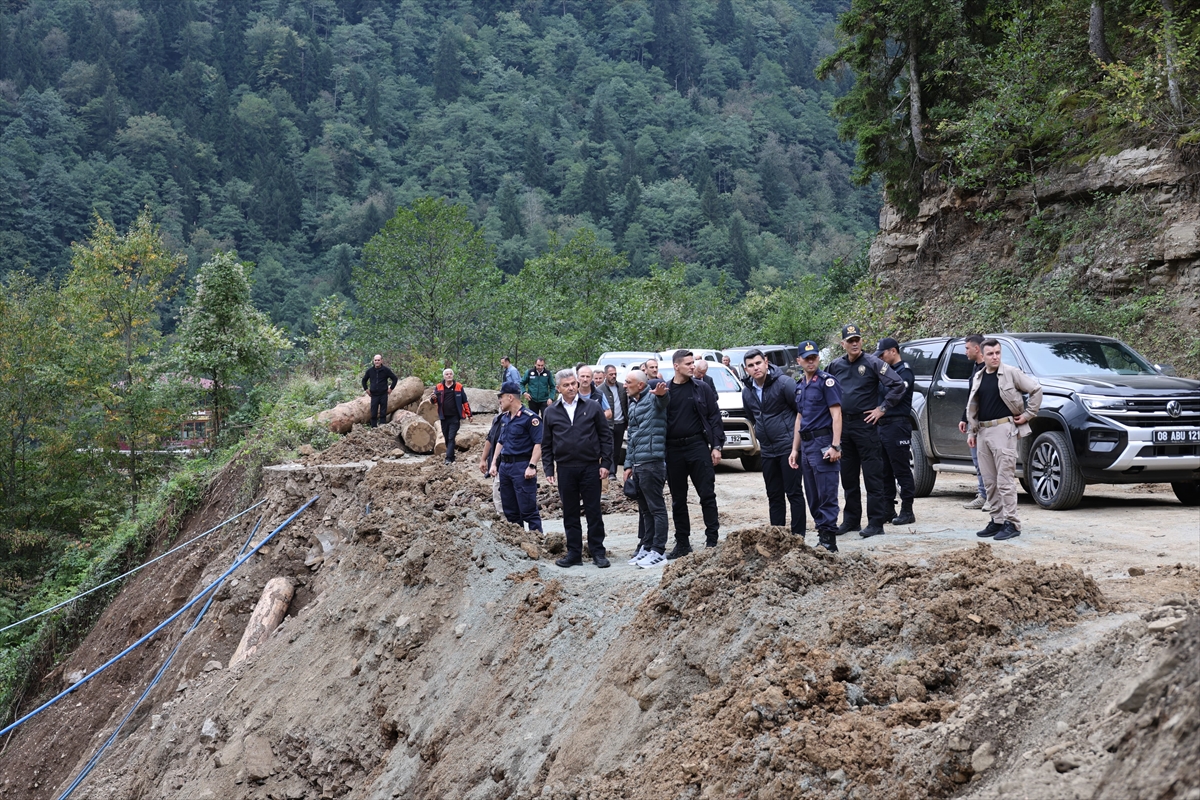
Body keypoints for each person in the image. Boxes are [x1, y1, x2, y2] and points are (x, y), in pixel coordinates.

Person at [826, 324, 906, 539]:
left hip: (866, 426)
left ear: (861, 341)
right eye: (850, 340)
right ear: (843, 344)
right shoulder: (835, 365)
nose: (854, 343)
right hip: (844, 427)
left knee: (873, 476)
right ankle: (851, 520)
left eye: (857, 339)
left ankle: (876, 522)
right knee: (848, 477)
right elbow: (824, 387)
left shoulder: (873, 363)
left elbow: (898, 385)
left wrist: (882, 409)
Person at [967, 339, 1043, 541]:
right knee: (989, 481)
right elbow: (974, 406)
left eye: (998, 353)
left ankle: (1012, 523)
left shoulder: (1010, 372)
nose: (995, 357)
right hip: (983, 431)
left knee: (1005, 480)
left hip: (1003, 429)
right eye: (990, 353)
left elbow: (1035, 390)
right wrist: (971, 433)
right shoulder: (979, 376)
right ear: (983, 355)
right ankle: (997, 520)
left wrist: (1028, 415)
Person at [542, 369, 614, 569]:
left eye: (573, 383)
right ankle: (574, 553)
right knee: (570, 512)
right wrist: (548, 469)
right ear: (558, 388)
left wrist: (606, 464)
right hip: (565, 469)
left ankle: (598, 552)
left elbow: (605, 437)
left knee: (593, 511)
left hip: (590, 467)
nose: (572, 387)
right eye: (566, 385)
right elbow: (546, 443)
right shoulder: (551, 412)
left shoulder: (592, 407)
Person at [664, 349, 725, 558]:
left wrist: (717, 446)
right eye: (688, 363)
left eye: (693, 363)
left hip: (697, 446)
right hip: (673, 449)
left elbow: (715, 417)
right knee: (678, 499)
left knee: (707, 495)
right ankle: (682, 543)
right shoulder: (667, 391)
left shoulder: (702, 388)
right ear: (676, 366)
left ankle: (712, 541)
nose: (693, 366)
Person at [741, 349, 805, 538]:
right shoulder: (748, 392)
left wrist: (796, 445)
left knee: (793, 493)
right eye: (751, 366)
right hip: (767, 450)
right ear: (746, 369)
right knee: (774, 495)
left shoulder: (784, 383)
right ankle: (777, 538)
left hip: (788, 447)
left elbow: (800, 412)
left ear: (766, 362)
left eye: (758, 363)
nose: (756, 368)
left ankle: (798, 537)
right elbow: (753, 417)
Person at [789, 341, 843, 553]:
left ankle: (829, 541)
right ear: (799, 360)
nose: (811, 361)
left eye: (814, 357)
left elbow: (836, 414)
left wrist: (836, 445)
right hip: (807, 445)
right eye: (806, 358)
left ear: (818, 358)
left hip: (824, 443)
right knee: (812, 494)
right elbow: (799, 418)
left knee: (826, 492)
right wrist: (795, 449)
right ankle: (822, 535)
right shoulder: (801, 385)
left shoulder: (826, 382)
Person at [623, 369, 670, 568]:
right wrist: (627, 464)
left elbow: (663, 401)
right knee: (645, 510)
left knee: (656, 508)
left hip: (653, 463)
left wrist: (662, 395)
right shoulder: (633, 405)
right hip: (639, 465)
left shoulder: (653, 400)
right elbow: (632, 438)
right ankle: (647, 546)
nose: (624, 385)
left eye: (628, 382)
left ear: (640, 385)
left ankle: (659, 551)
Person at [490, 382, 543, 532]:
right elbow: (501, 441)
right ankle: (518, 543)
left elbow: (539, 444)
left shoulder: (530, 418)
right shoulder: (505, 418)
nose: (500, 401)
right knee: (510, 510)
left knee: (528, 510)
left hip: (522, 467)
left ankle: (536, 542)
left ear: (510, 397)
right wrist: (494, 463)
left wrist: (532, 466)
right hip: (505, 467)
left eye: (501, 397)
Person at [875, 338, 917, 525]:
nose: (881, 358)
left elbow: (896, 396)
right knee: (884, 470)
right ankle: (888, 509)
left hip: (897, 424)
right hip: (882, 425)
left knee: (901, 469)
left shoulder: (904, 371)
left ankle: (907, 510)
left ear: (893, 351)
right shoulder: (886, 372)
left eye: (882, 354)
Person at [958, 334, 989, 510]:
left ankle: (991, 497)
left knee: (987, 462)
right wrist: (965, 418)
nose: (965, 352)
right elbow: (972, 398)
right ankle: (983, 494)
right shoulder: (975, 367)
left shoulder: (988, 369)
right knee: (978, 460)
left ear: (977, 348)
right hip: (974, 422)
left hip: (986, 422)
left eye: (967, 348)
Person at [430, 368, 472, 463]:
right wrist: (432, 398)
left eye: (450, 374)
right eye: (447, 374)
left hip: (455, 417)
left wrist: (470, 415)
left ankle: (448, 458)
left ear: (452, 375)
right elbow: (433, 401)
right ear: (444, 376)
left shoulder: (459, 386)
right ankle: (452, 456)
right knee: (446, 437)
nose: (449, 375)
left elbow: (464, 401)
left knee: (451, 437)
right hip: (444, 417)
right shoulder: (439, 386)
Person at [598, 365, 629, 468]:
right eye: (611, 374)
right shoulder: (600, 390)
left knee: (617, 449)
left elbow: (626, 404)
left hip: (621, 422)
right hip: (608, 423)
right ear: (605, 375)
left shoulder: (622, 387)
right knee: (609, 448)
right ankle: (610, 471)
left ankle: (614, 470)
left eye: (615, 374)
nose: (613, 376)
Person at [479, 413, 507, 516]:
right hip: (496, 464)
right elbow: (490, 439)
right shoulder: (497, 419)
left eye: (502, 398)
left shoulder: (522, 418)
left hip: (513, 464)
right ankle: (503, 520)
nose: (500, 402)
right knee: (497, 493)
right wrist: (483, 459)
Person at [361, 354, 398, 427]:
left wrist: (391, 389)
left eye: (378, 360)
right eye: (375, 360)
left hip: (383, 394)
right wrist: (366, 389)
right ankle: (374, 428)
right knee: (373, 412)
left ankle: (382, 427)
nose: (377, 362)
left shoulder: (386, 370)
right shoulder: (370, 371)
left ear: (381, 361)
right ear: (373, 361)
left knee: (383, 412)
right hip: (374, 395)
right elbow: (364, 380)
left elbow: (394, 378)